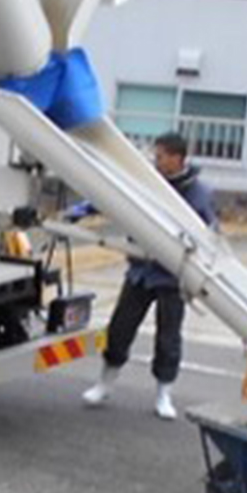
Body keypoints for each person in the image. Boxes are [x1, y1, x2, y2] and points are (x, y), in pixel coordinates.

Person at [81, 131, 216, 421]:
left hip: (173, 277)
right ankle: (105, 383)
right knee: (119, 328)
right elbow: (114, 196)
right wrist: (83, 210)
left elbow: (210, 233)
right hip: (140, 271)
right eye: (156, 156)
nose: (156, 161)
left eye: (162, 156)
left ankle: (163, 394)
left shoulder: (198, 193)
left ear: (178, 158)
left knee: (168, 338)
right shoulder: (146, 181)